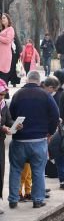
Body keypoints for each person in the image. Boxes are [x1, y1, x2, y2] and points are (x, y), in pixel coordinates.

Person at [8, 70, 60, 209]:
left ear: (27, 79)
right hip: (39, 140)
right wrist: (50, 132)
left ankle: (13, 200)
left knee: (15, 170)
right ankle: (38, 200)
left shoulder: (17, 95)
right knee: (38, 171)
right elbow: (56, 115)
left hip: (19, 140)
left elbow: (10, 115)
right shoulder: (45, 95)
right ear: (39, 81)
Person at [0, 79, 14, 214]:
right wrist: (2, 128)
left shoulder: (3, 105)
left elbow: (8, 120)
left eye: (3, 94)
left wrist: (15, 124)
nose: (2, 97)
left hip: (0, 143)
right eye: (0, 94)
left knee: (0, 171)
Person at [0, 13, 15, 84]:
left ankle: (5, 95)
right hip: (1, 56)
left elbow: (7, 40)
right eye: (2, 18)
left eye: (4, 18)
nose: (2, 19)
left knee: (3, 80)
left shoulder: (10, 29)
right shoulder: (3, 30)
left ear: (8, 19)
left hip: (5, 57)